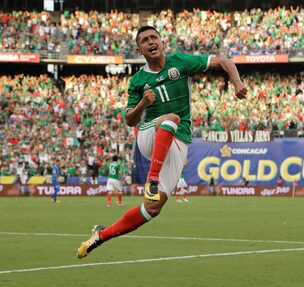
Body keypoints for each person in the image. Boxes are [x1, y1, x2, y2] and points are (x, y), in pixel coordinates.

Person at [76, 25, 247, 259]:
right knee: (171, 118)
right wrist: (143, 104)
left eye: (153, 37)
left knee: (152, 209)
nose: (150, 42)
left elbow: (225, 61)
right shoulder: (138, 80)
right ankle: (152, 180)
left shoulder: (181, 62)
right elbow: (129, 120)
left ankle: (100, 235)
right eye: (145, 40)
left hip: (177, 140)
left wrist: (236, 82)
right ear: (140, 49)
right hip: (149, 134)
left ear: (161, 41)